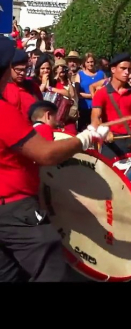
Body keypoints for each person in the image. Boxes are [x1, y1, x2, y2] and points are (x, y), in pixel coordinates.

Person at [0, 37, 110, 282]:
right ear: (6, 70)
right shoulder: (3, 111)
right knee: (53, 268)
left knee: (9, 275)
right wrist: (85, 139)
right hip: (14, 210)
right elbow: (46, 154)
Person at [91, 53, 131, 160]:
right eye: (123, 68)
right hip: (111, 143)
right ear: (113, 69)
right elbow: (95, 117)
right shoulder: (102, 93)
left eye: (128, 69)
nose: (127, 72)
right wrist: (104, 132)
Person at [2, 49, 42, 119]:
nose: (22, 73)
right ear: (9, 68)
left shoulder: (32, 86)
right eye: (18, 70)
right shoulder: (3, 87)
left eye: (25, 69)